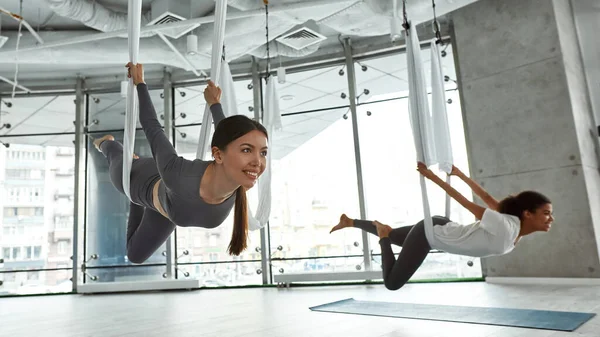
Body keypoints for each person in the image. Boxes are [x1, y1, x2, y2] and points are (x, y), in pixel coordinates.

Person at [92, 62, 269, 263]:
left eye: (263, 153)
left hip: (168, 209)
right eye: (247, 150)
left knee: (135, 256)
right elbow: (152, 127)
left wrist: (214, 104)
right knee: (114, 155)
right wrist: (140, 83)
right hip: (141, 180)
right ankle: (107, 144)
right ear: (218, 155)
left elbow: (226, 135)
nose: (257, 162)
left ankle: (137, 200)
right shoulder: (180, 175)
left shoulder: (240, 181)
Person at [330, 162, 553, 291]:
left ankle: (350, 222)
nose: (550, 219)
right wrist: (433, 177)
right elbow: (466, 202)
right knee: (392, 282)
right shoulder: (505, 226)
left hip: (442, 229)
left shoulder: (513, 228)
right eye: (546, 214)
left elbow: (485, 196)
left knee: (397, 236)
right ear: (527, 213)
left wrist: (460, 174)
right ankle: (382, 236)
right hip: (432, 233)